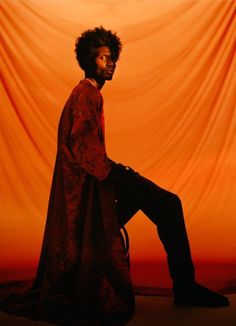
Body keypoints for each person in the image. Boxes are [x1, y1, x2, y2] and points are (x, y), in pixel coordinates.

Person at [0, 26, 229, 325]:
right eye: (103, 58)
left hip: (97, 181)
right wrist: (115, 173)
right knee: (169, 205)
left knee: (165, 205)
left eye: (112, 58)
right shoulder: (85, 94)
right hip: (94, 184)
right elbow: (81, 144)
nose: (110, 63)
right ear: (88, 60)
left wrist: (115, 173)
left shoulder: (88, 93)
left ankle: (184, 286)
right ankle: (185, 288)